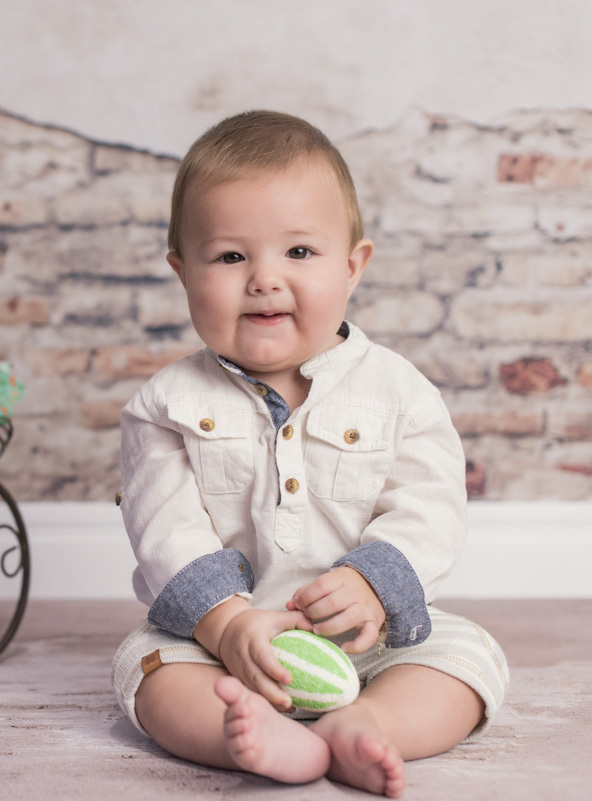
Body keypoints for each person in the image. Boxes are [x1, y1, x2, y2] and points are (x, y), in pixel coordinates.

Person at [111, 110, 508, 798]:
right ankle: (257, 739)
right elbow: (164, 528)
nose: (265, 278)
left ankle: (365, 723)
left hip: (373, 640)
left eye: (299, 252)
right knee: (150, 676)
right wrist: (230, 625)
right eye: (231, 256)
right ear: (182, 271)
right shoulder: (163, 404)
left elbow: (432, 507)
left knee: (467, 661)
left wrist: (374, 590)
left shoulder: (400, 392)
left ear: (354, 266)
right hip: (218, 646)